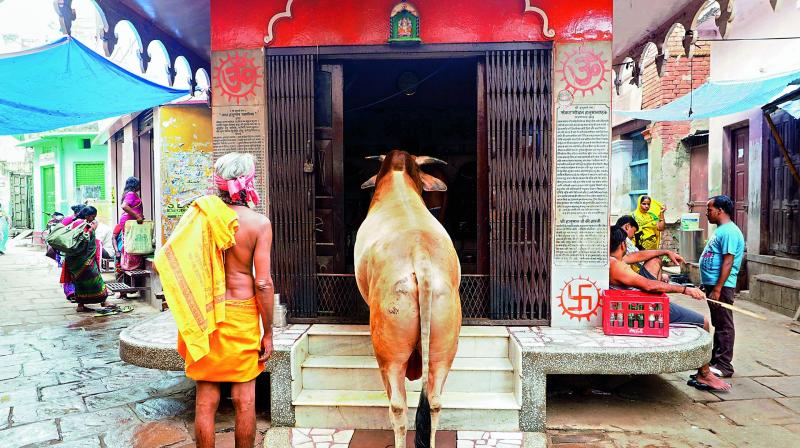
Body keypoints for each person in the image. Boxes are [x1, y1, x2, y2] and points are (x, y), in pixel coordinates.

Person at [154, 153, 273, 448]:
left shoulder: (201, 217)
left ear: (218, 183)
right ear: (250, 181)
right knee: (245, 400)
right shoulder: (258, 223)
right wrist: (268, 331)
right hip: (242, 314)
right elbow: (263, 282)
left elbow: (168, 258)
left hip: (206, 315)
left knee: (206, 400)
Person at [609, 225, 731, 391]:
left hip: (639, 300)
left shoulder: (612, 260)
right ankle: (704, 374)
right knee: (703, 323)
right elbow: (649, 286)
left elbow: (637, 255)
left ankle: (703, 373)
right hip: (646, 306)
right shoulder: (617, 266)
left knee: (654, 261)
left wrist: (664, 252)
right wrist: (685, 289)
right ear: (623, 245)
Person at [700, 195, 745, 379]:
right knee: (718, 322)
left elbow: (728, 261)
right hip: (714, 284)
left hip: (723, 286)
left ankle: (724, 364)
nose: (707, 213)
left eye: (709, 209)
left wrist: (718, 288)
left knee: (724, 323)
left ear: (720, 210)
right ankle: (716, 359)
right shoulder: (721, 230)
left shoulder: (730, 232)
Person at [60, 206, 109, 312]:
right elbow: (83, 239)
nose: (93, 219)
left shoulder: (75, 223)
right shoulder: (81, 224)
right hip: (84, 260)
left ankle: (81, 305)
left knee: (79, 282)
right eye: (92, 216)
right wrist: (92, 229)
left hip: (75, 261)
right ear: (87, 215)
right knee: (96, 280)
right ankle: (104, 301)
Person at [615, 215, 681, 282]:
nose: (633, 236)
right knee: (655, 261)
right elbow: (636, 257)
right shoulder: (623, 238)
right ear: (627, 226)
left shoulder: (616, 235)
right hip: (622, 279)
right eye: (634, 232)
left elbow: (635, 256)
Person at [118, 177, 145, 271]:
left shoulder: (129, 194)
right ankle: (130, 266)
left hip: (130, 221)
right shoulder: (131, 194)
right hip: (130, 221)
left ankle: (129, 265)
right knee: (132, 243)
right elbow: (124, 206)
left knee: (130, 241)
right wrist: (137, 216)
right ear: (135, 185)